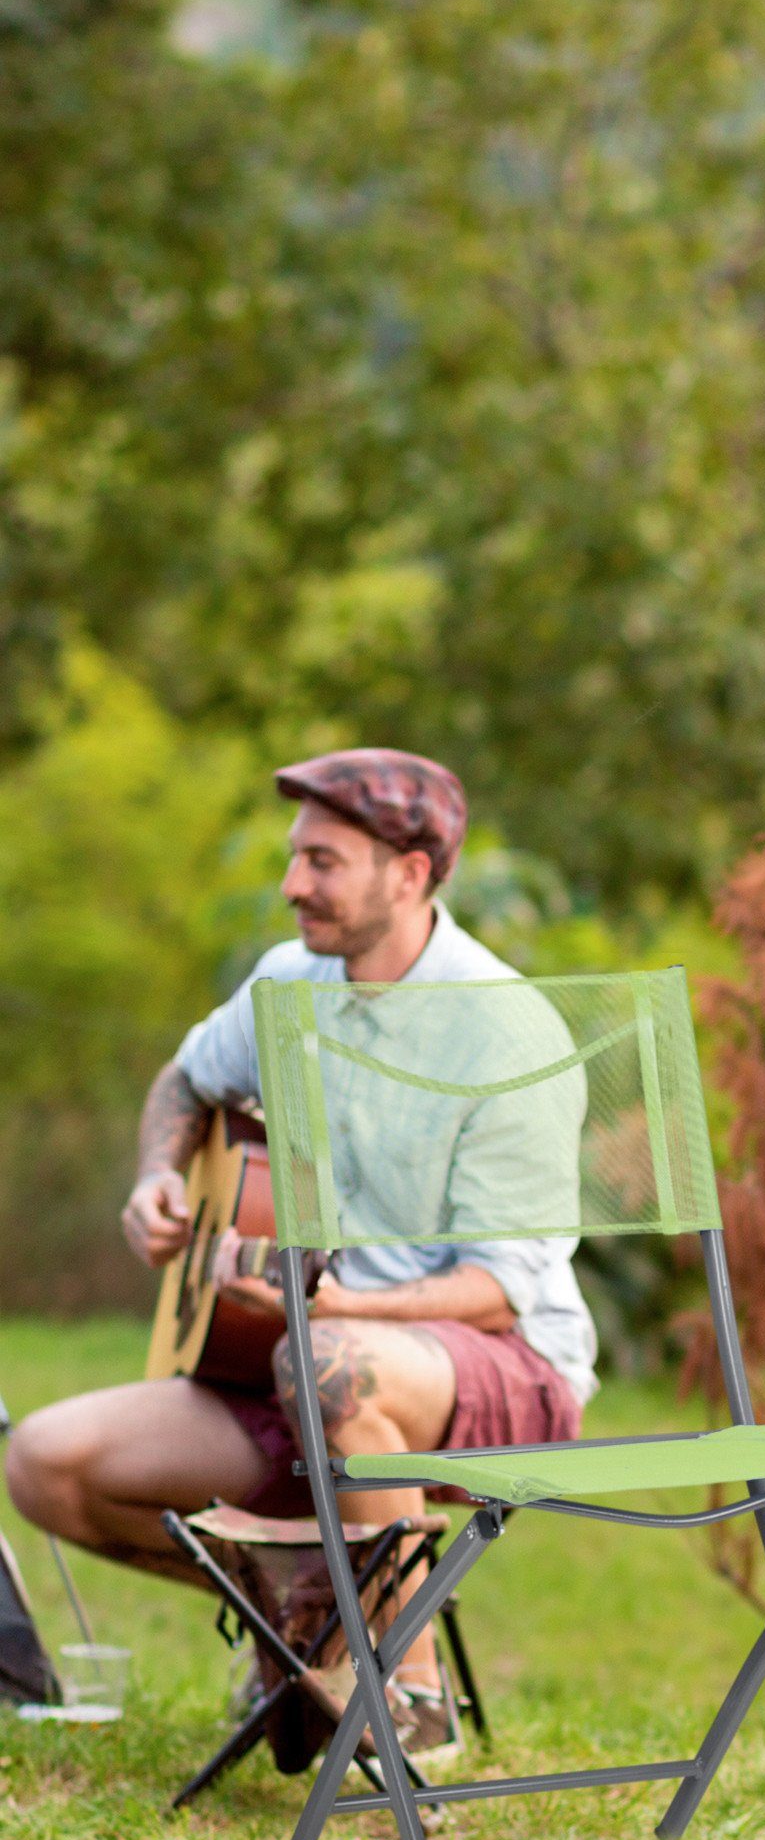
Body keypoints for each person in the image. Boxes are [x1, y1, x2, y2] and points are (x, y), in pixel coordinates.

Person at [4, 752, 598, 1757]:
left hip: (489, 1368)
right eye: (294, 858)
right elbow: (186, 1082)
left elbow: (497, 1290)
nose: (292, 886)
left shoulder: (503, 1028)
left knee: (325, 1363)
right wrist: (157, 1177)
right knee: (46, 1464)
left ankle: (410, 1699)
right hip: (300, 1359)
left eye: (323, 861)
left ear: (410, 874)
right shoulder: (290, 981)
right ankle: (293, 1616)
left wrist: (319, 1318)